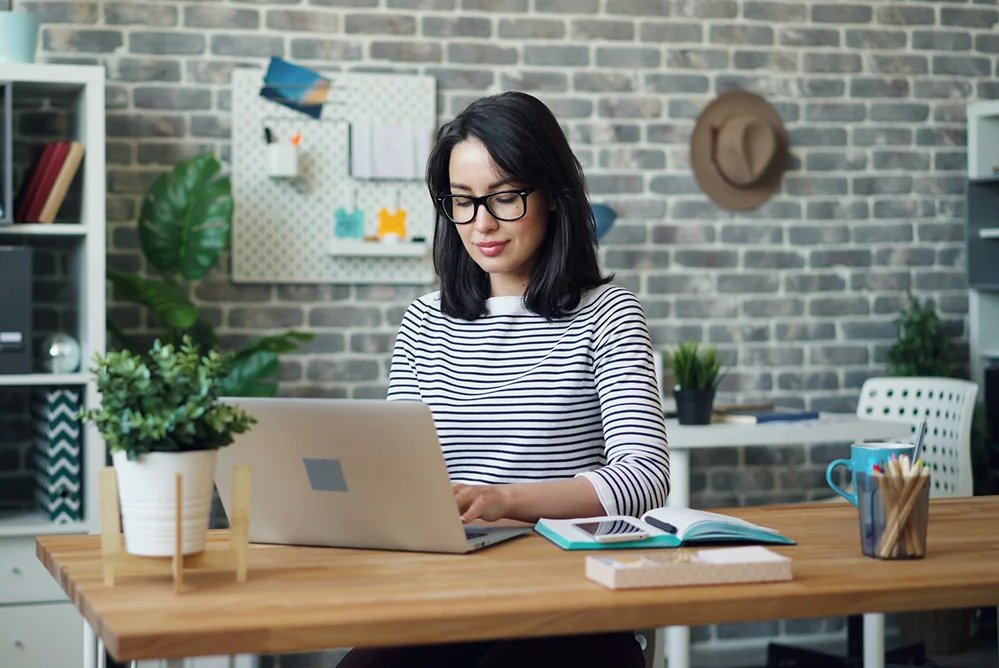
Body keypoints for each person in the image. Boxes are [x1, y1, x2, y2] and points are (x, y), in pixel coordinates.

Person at [336, 91, 670, 668]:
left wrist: (504, 501)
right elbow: (396, 468)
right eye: (462, 202)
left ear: (554, 196)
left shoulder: (607, 312)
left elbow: (644, 477)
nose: (481, 223)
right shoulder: (424, 319)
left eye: (505, 197)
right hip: (446, 596)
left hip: (574, 599)